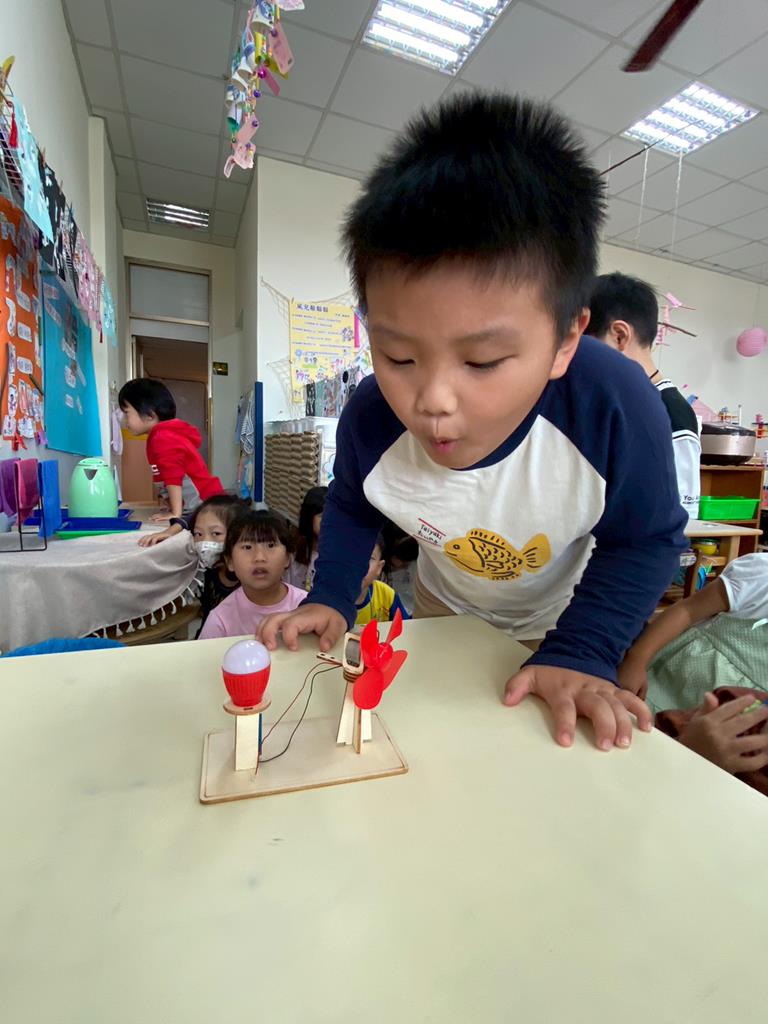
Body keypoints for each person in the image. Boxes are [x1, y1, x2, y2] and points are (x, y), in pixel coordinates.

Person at [258, 92, 687, 752]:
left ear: (566, 340)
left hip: (563, 623)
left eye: (482, 361)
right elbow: (351, 503)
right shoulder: (372, 418)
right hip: (441, 611)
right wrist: (333, 596)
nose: (432, 400)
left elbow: (645, 541)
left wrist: (584, 649)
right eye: (398, 356)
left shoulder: (615, 405)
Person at [619, 553, 768, 789]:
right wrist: (637, 660)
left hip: (717, 755)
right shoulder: (762, 576)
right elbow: (687, 611)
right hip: (658, 687)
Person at [586, 272, 701, 519]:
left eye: (585, 346)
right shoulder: (614, 402)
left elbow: (682, 513)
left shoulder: (672, 411)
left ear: (619, 336)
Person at [119, 378, 224, 521]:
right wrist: (168, 502)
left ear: (149, 414)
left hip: (207, 506)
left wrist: (175, 512)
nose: (124, 420)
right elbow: (163, 476)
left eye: (127, 413)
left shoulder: (163, 437)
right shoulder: (160, 435)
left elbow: (173, 476)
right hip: (200, 505)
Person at [199, 511, 305, 640]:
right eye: (247, 547)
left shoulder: (306, 606)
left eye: (270, 545)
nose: (259, 557)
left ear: (288, 558)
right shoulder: (220, 620)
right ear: (230, 561)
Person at [355, 535, 410, 627]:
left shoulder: (387, 596)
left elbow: (405, 628)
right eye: (350, 556)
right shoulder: (329, 599)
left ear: (379, 567)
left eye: (368, 558)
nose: (358, 566)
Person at [287, 485, 327, 590]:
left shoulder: (339, 553)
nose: (329, 521)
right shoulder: (294, 552)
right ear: (309, 517)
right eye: (323, 516)